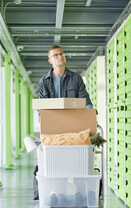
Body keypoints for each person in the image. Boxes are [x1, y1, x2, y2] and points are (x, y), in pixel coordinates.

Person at [33, 45, 93, 200]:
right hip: (54, 129)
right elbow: (43, 108)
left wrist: (91, 114)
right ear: (50, 60)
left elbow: (85, 100)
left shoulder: (76, 79)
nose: (60, 57)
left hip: (74, 127)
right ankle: (57, 196)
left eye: (62, 54)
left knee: (77, 161)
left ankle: (80, 196)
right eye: (56, 55)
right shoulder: (44, 82)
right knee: (56, 163)